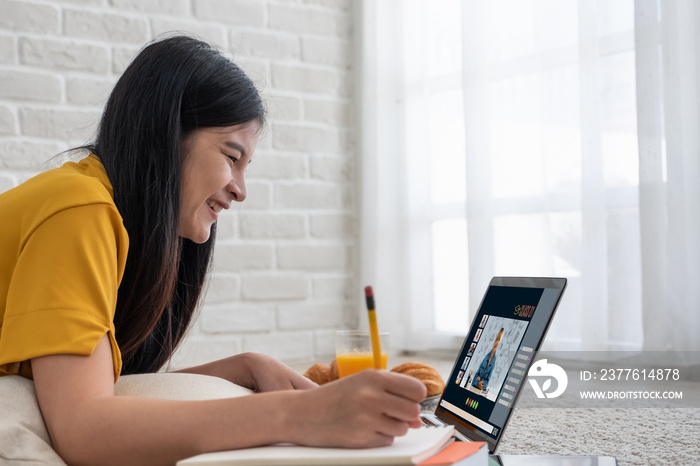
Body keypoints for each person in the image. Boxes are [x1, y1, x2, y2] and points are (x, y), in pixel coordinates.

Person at [0, 35, 426, 466]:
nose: (241, 190)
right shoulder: (79, 208)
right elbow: (85, 430)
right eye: (231, 156)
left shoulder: (99, 211)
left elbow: (104, 392)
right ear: (166, 136)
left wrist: (242, 366)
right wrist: (299, 414)